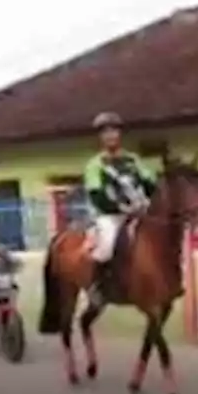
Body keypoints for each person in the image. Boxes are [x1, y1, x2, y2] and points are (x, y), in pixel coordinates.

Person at [82, 112, 157, 306]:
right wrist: (121, 208)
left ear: (120, 134)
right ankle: (96, 287)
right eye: (105, 132)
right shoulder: (95, 165)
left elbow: (150, 184)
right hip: (110, 216)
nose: (111, 136)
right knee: (105, 248)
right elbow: (96, 195)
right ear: (100, 137)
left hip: (139, 211)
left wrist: (150, 201)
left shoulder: (133, 160)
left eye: (114, 131)